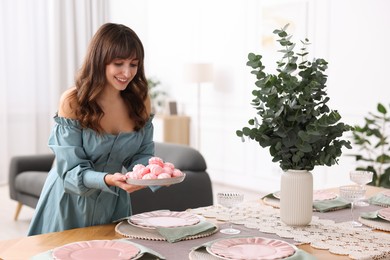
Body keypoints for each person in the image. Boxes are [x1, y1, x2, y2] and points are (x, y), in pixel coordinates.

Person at [28, 23, 156, 235]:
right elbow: (69, 171)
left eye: (134, 64)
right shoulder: (73, 101)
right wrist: (105, 179)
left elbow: (143, 155)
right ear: (100, 61)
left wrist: (149, 174)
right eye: (118, 63)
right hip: (68, 202)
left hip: (113, 203)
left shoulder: (141, 101)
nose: (127, 72)